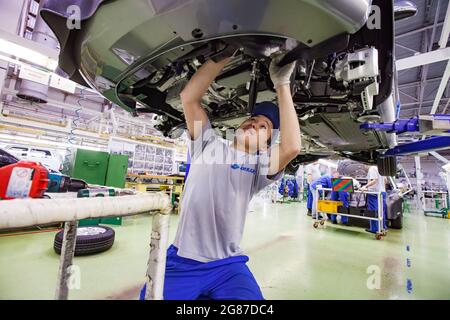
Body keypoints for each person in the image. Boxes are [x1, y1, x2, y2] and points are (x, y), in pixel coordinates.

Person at [140, 51, 301, 300]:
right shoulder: (207, 144)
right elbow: (189, 98)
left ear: (265, 146)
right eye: (252, 119)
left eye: (263, 128)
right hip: (182, 262)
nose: (253, 124)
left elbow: (291, 147)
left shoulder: (260, 167)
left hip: (228, 267)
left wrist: (282, 83)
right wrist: (228, 51)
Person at [360, 165, 387, 233]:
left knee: (373, 211)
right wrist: (381, 187)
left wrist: (365, 186)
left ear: (366, 164)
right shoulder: (381, 168)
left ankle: (374, 229)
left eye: (364, 166)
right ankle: (382, 227)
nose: (364, 167)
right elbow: (385, 180)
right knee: (381, 211)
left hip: (374, 193)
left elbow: (374, 180)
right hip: (382, 192)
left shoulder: (372, 168)